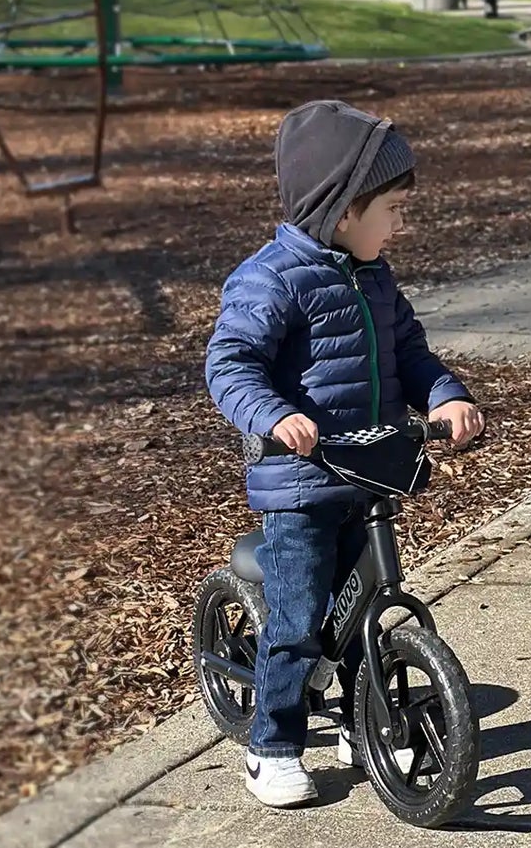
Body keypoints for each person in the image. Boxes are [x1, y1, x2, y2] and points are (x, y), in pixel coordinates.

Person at [204, 99, 486, 809]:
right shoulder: (271, 279)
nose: (399, 223)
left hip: (370, 469)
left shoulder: (377, 278)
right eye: (390, 209)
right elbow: (230, 362)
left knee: (366, 613)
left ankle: (364, 722)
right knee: (298, 622)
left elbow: (412, 355)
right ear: (341, 210)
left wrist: (445, 396)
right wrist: (275, 414)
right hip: (301, 480)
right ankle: (271, 746)